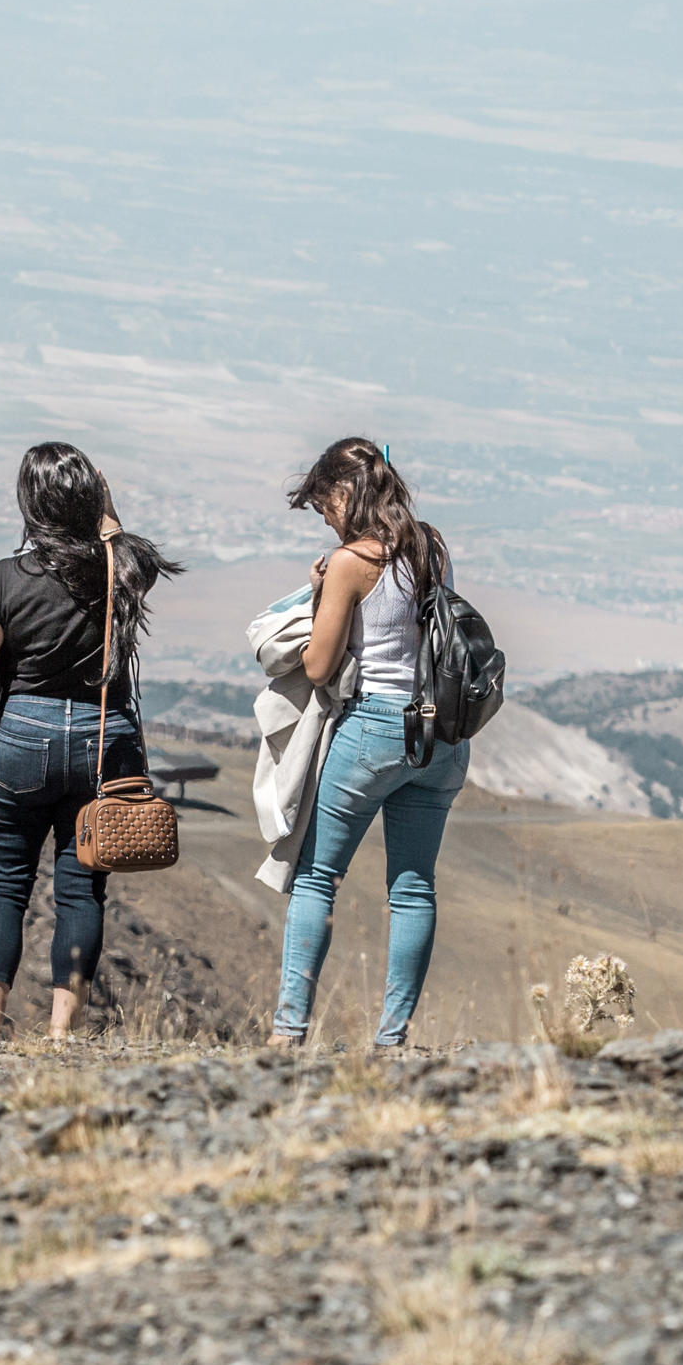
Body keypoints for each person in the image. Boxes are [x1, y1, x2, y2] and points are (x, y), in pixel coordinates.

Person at [0, 443, 180, 1044]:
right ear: (90, 497)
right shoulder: (122, 570)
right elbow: (122, 546)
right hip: (102, 745)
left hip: (19, 742)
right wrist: (106, 510)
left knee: (4, 884)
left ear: (30, 503)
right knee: (82, 889)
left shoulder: (5, 578)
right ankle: (62, 1033)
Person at [271, 436, 467, 1049]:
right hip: (441, 734)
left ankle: (288, 1030)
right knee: (413, 888)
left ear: (341, 493)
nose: (323, 519)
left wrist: (313, 604)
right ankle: (393, 1040)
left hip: (376, 728)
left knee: (315, 878)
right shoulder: (431, 546)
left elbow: (323, 665)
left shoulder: (349, 563)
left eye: (322, 506)